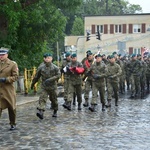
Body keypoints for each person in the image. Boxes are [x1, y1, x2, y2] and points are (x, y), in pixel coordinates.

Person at [31, 53, 61, 119]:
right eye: (46, 58)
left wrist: (50, 79)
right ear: (44, 59)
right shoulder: (41, 67)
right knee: (42, 98)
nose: (48, 59)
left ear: (51, 59)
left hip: (52, 86)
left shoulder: (55, 67)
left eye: (49, 58)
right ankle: (41, 111)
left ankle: (55, 110)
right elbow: (37, 76)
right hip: (44, 86)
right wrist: (33, 84)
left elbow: (58, 75)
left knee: (54, 100)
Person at [0, 47, 19, 130]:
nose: (1, 56)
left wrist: (6, 79)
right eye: (0, 55)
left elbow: (16, 77)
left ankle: (13, 123)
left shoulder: (12, 64)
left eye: (3, 55)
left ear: (7, 55)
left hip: (8, 89)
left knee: (11, 107)